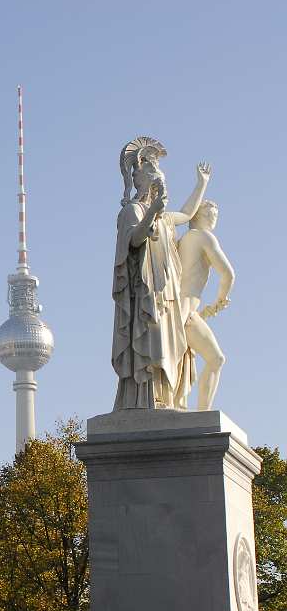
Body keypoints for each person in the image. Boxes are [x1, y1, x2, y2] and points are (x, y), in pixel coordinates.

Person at [112, 136, 211, 409]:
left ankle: (164, 398)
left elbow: (189, 213)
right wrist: (152, 213)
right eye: (154, 180)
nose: (158, 187)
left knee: (167, 345)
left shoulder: (166, 219)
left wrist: (201, 184)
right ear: (140, 181)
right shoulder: (133, 211)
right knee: (149, 343)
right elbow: (133, 240)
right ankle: (143, 399)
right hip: (144, 293)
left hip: (165, 292)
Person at [177, 200, 234, 410]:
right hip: (186, 312)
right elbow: (228, 275)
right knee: (215, 358)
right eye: (211, 213)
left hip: (178, 311)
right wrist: (220, 300)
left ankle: (199, 414)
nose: (215, 217)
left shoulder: (183, 240)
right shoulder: (204, 237)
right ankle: (203, 415)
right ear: (197, 216)